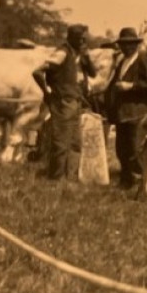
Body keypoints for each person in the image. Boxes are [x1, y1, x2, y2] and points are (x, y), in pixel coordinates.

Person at [34, 24, 98, 181]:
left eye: (85, 38)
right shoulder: (62, 52)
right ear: (72, 38)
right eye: (81, 38)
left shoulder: (78, 54)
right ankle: (56, 179)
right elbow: (37, 72)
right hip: (63, 101)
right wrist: (47, 92)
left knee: (75, 142)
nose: (84, 41)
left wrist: (86, 56)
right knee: (61, 142)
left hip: (75, 101)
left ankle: (70, 177)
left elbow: (93, 73)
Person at [103, 26, 147, 191]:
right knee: (122, 149)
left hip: (138, 112)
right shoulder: (122, 61)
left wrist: (131, 86)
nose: (126, 47)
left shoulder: (144, 60)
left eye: (129, 44)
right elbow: (113, 85)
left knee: (136, 149)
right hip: (123, 113)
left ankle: (140, 183)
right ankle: (126, 180)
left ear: (136, 45)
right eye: (123, 44)